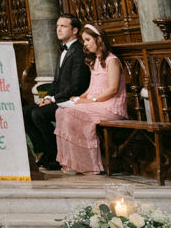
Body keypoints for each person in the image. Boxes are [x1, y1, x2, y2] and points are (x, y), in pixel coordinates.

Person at [54, 23, 128, 174]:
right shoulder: (94, 60)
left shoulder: (112, 61)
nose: (85, 44)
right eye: (84, 41)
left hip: (110, 107)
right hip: (96, 104)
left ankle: (88, 164)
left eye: (88, 40)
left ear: (99, 39)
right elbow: (91, 88)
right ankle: (71, 161)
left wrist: (89, 101)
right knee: (61, 112)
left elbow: (112, 89)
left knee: (70, 113)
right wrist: (78, 98)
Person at [23, 13, 91, 171]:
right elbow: (56, 82)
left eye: (63, 26)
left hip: (72, 100)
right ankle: (42, 151)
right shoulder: (63, 51)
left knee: (38, 114)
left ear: (74, 30)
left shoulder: (79, 52)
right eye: (57, 26)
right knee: (25, 112)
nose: (58, 29)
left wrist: (53, 99)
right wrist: (47, 96)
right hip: (58, 99)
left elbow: (76, 86)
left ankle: (54, 155)